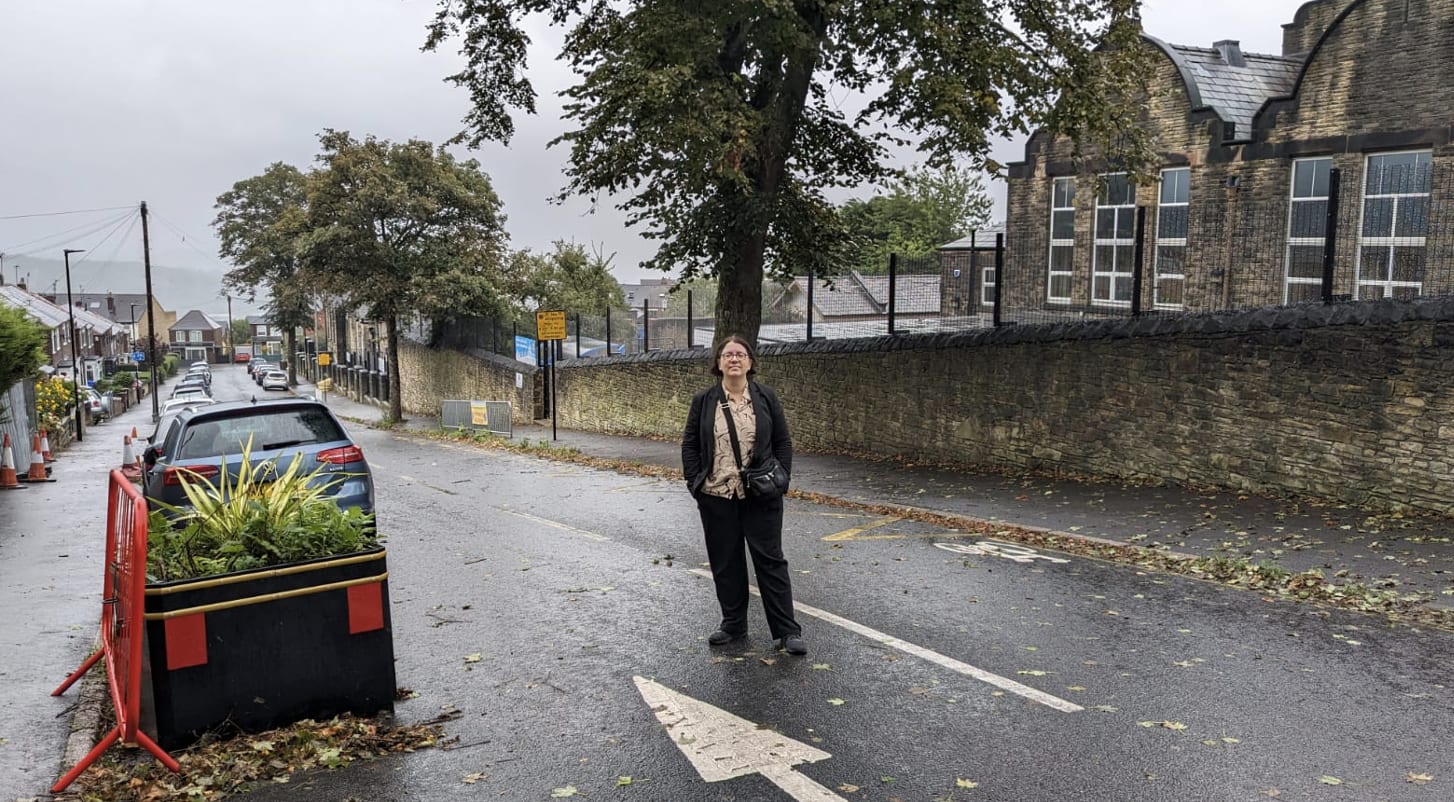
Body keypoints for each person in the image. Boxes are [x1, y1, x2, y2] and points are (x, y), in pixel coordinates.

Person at [681, 334, 806, 656]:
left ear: (750, 363)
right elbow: (690, 444)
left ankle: (787, 631)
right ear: (719, 363)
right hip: (716, 495)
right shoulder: (704, 401)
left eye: (740, 354)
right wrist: (695, 484)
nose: (734, 359)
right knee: (726, 563)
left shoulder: (766, 397)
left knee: (771, 561)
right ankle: (733, 624)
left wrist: (781, 479)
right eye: (728, 355)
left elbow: (782, 442)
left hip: (761, 494)